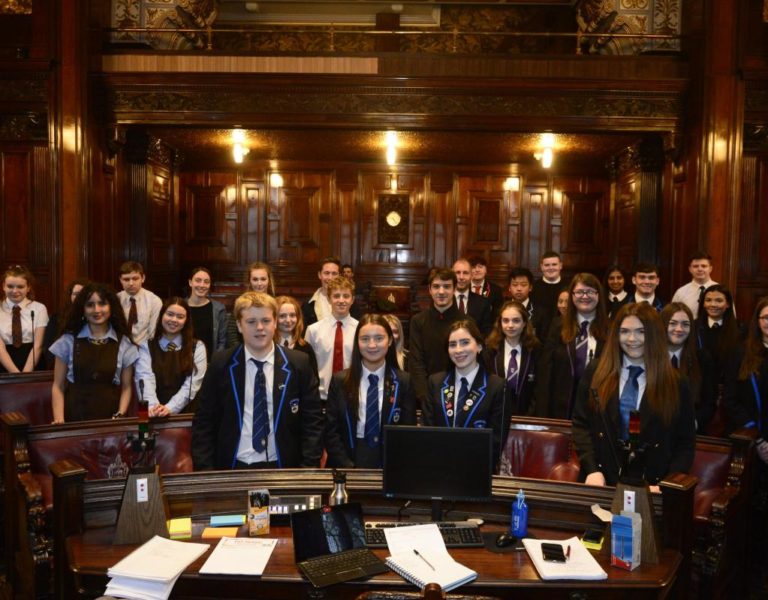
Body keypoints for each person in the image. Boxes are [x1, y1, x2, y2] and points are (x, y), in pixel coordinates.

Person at [192, 291, 323, 470]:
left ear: (275, 322)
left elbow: (312, 421)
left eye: (266, 321)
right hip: (233, 466)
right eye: (251, 322)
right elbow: (204, 421)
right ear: (239, 325)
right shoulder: (220, 364)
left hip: (284, 467)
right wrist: (206, 471)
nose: (260, 327)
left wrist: (307, 469)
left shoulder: (298, 363)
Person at [572, 302, 696, 488]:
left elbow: (685, 443)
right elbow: (581, 425)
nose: (632, 339)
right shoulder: (596, 372)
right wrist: (592, 470)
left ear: (654, 335)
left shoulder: (676, 383)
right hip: (601, 481)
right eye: (624, 331)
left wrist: (668, 484)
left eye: (641, 332)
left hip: (654, 486)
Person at [324, 314, 416, 468]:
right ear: (357, 343)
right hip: (346, 460)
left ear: (390, 341)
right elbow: (331, 430)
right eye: (365, 339)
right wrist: (346, 465)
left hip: (389, 462)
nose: (372, 345)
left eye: (379, 338)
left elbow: (408, 432)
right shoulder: (340, 381)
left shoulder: (404, 381)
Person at [49, 282, 138, 423]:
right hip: (74, 416)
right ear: (82, 309)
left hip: (111, 418)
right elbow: (58, 385)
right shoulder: (68, 340)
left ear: (111, 307)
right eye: (90, 305)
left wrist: (120, 415)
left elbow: (127, 387)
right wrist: (59, 421)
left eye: (102, 304)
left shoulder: (124, 343)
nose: (96, 310)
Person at [423, 319, 505, 466]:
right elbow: (427, 432)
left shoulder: (497, 386)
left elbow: (496, 442)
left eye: (465, 342)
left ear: (479, 346)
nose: (458, 350)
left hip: (477, 469)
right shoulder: (435, 383)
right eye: (452, 345)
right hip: (438, 467)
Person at [533, 273, 609, 419]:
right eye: (579, 292)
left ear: (599, 295)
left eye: (590, 292)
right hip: (562, 407)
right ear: (572, 296)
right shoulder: (557, 326)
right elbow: (546, 370)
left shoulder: (610, 328)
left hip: (598, 406)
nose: (585, 296)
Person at [135, 297, 207, 416]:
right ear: (162, 315)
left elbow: (192, 384)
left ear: (186, 321)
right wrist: (154, 407)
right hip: (153, 413)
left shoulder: (197, 347)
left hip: (186, 414)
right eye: (170, 314)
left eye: (180, 317)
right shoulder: (146, 346)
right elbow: (145, 378)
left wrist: (170, 408)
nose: (174, 320)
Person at [408, 268, 463, 411]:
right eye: (436, 286)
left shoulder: (466, 322)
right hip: (426, 396)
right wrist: (425, 397)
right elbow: (416, 362)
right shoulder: (418, 321)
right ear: (430, 289)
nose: (441, 291)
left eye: (447, 286)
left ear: (455, 289)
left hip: (459, 394)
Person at [661, 302, 716, 434]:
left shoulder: (703, 359)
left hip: (691, 433)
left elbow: (709, 403)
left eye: (685, 324)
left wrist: (693, 423)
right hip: (655, 431)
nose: (679, 329)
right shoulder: (649, 358)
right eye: (673, 323)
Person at [304, 276, 359, 402]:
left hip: (352, 396)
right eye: (336, 296)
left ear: (352, 300)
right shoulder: (313, 330)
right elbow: (307, 367)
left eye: (346, 296)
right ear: (329, 299)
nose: (341, 300)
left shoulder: (360, 330)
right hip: (321, 397)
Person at [485, 300, 542, 419]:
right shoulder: (490, 348)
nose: (510, 325)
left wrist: (529, 417)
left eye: (516, 320)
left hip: (527, 417)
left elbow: (539, 388)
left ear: (525, 323)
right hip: (495, 415)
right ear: (500, 323)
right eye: (505, 320)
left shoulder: (535, 349)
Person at [696, 284, 746, 404]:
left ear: (728, 304)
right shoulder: (693, 327)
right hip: (699, 392)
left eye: (719, 300)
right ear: (703, 303)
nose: (713, 304)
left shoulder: (741, 330)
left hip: (730, 393)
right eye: (708, 300)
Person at [0, 265, 49, 373]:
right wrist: (16, 374)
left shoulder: (39, 308)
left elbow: (38, 345)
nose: (15, 291)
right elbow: (0, 349)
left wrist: (26, 374)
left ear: (28, 287)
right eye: (10, 286)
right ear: (3, 286)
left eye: (20, 287)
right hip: (4, 363)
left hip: (33, 360)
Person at [227, 262, 277, 348]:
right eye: (255, 279)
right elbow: (232, 334)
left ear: (269, 280)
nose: (259, 283)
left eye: (263, 279)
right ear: (249, 281)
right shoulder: (240, 304)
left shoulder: (275, 303)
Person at [43, 278, 90, 369]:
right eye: (76, 294)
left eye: (83, 295)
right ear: (70, 296)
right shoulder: (56, 318)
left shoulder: (96, 318)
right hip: (62, 367)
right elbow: (49, 348)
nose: (80, 297)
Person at [186, 267, 227, 359]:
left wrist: (215, 363)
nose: (202, 285)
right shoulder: (181, 307)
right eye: (198, 280)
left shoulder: (219, 309)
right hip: (184, 362)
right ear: (190, 282)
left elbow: (222, 341)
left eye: (206, 282)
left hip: (210, 363)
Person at [117, 261, 162, 345]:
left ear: (143, 278)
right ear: (120, 280)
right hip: (119, 346)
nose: (131, 283)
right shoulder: (116, 299)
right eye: (126, 279)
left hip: (144, 348)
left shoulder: (154, 301)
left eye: (135, 278)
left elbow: (153, 333)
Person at [274, 295, 318, 375]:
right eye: (282, 316)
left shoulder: (305, 348)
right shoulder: (268, 347)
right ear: (273, 318)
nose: (288, 320)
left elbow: (313, 381)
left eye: (292, 315)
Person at [671, 251, 718, 319]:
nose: (700, 269)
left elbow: (730, 317)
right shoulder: (680, 293)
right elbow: (672, 317)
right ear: (690, 269)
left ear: (710, 269)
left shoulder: (720, 291)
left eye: (704, 266)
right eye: (695, 266)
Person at [452, 258, 493, 336]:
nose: (461, 277)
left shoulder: (483, 302)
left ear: (471, 275)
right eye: (457, 273)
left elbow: (486, 332)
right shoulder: (445, 300)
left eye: (465, 273)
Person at [507, 266, 550, 339]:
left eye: (523, 285)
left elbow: (544, 340)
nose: (519, 289)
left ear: (530, 287)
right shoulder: (501, 309)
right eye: (515, 285)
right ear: (509, 288)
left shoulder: (541, 312)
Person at [301, 257, 341, 329]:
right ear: (319, 275)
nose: (330, 278)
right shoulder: (308, 305)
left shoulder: (349, 303)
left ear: (339, 276)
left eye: (334, 274)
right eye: (326, 273)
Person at [530, 251, 567, 317]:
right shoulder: (533, 287)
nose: (551, 268)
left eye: (554, 264)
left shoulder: (569, 286)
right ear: (541, 267)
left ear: (560, 266)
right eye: (547, 265)